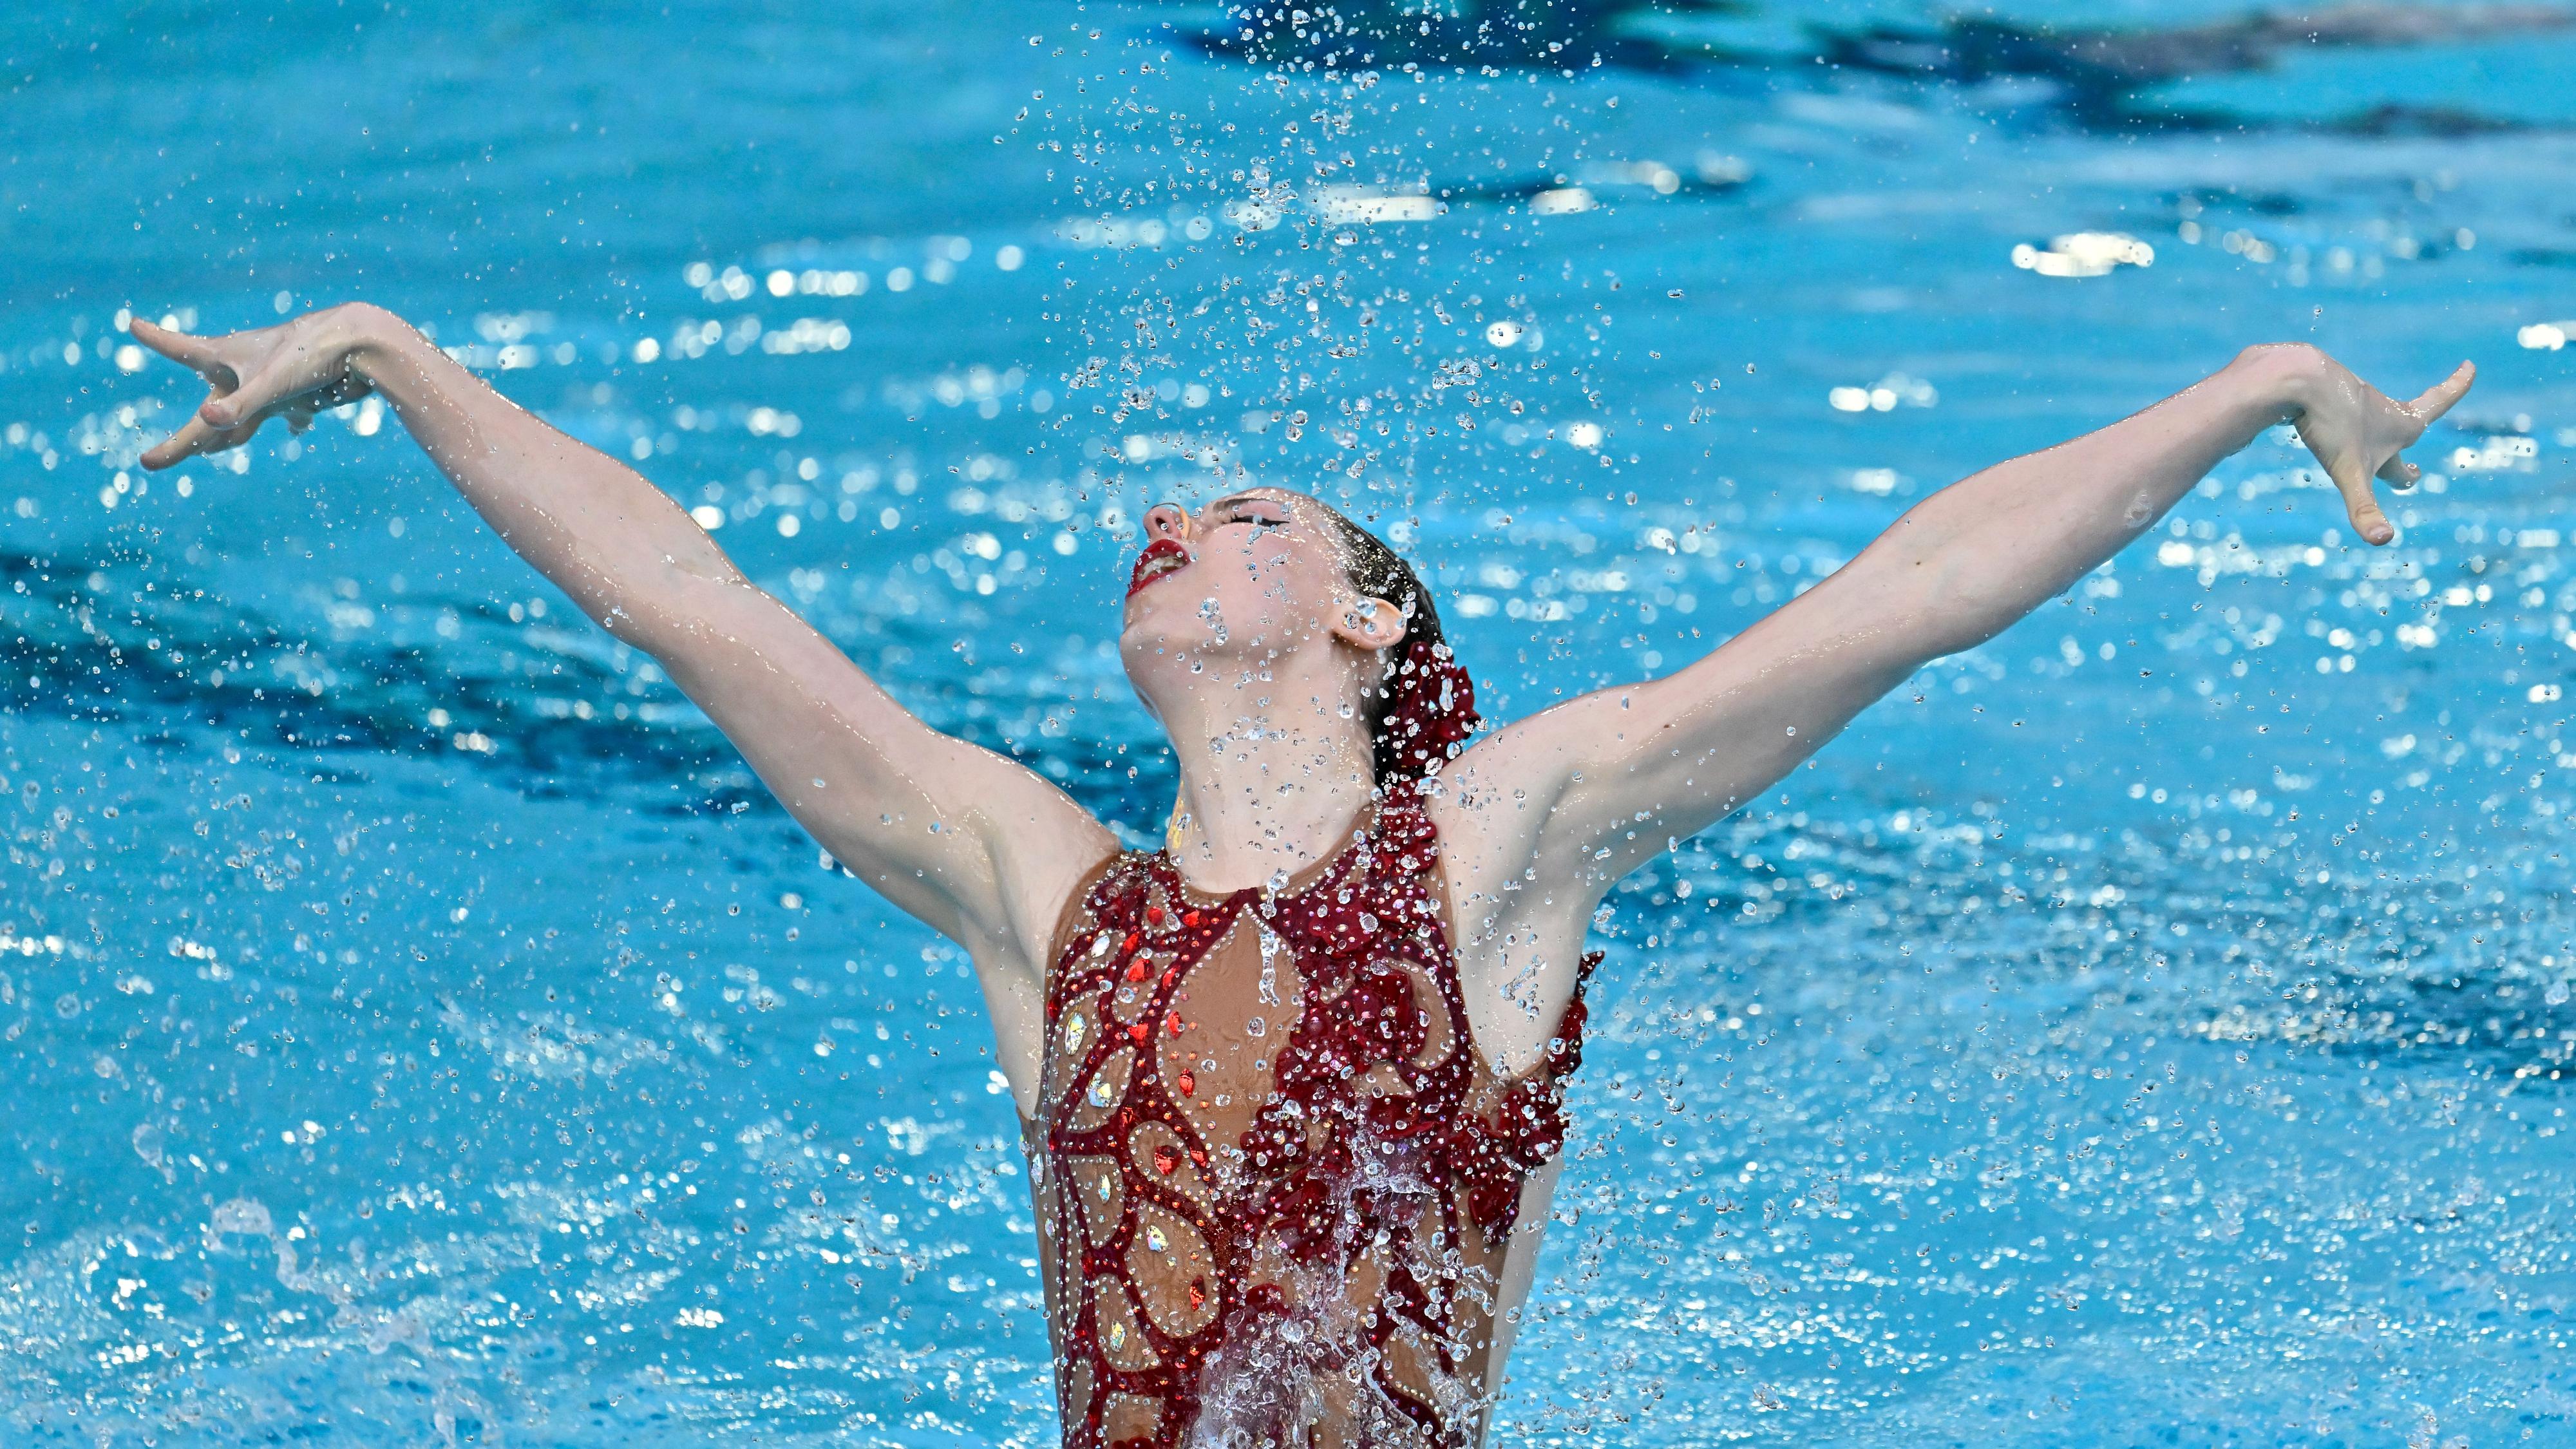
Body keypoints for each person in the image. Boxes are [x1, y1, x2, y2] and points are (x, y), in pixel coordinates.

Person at [131, 304, 2471, 1446]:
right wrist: (391, 359)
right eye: (1173, 508)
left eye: (1249, 512)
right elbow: (694, 602)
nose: (1175, 516)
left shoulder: (1493, 850)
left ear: (1363, 620)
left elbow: (1901, 598)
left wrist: (2260, 385)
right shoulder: (1037, 889)